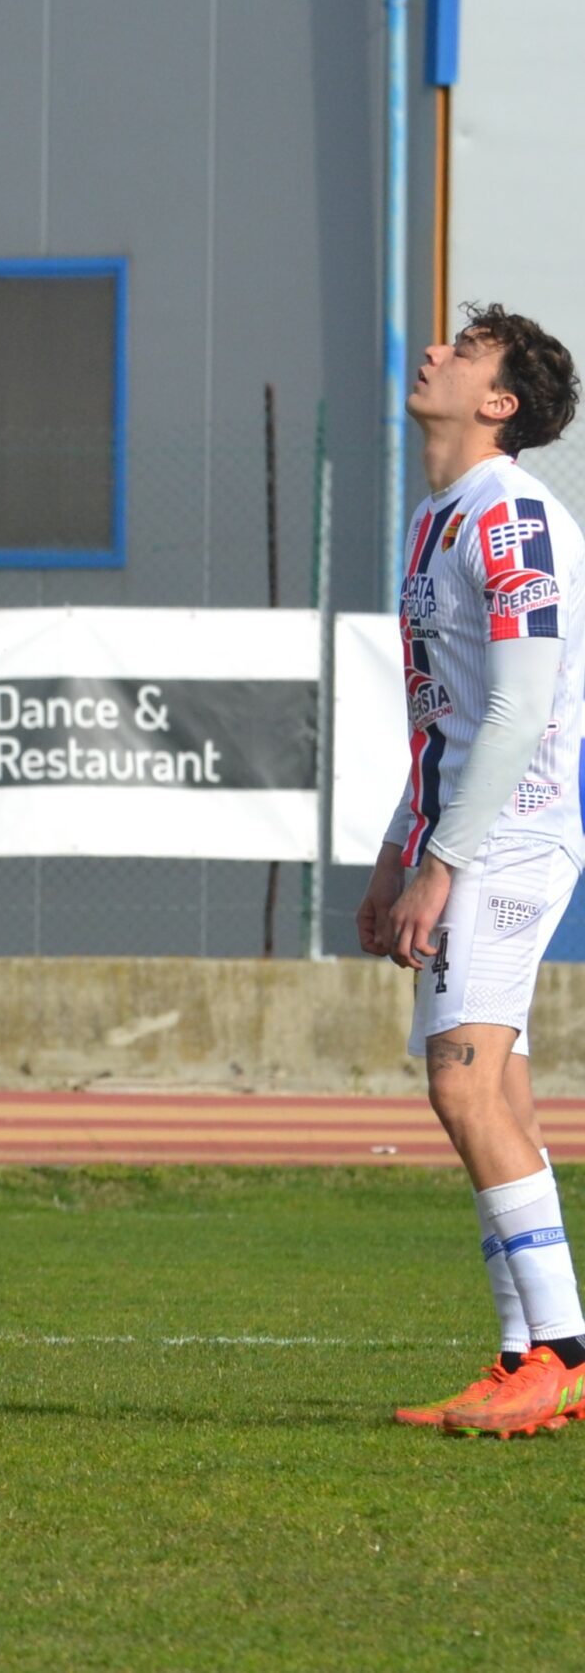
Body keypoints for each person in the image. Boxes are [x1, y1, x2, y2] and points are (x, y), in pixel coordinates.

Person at [365, 303, 585, 1437]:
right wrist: (392, 856)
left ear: (499, 403)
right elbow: (442, 719)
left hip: (509, 839)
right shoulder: (436, 515)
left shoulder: (511, 517)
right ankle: (518, 1358)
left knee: (459, 1086)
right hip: (467, 835)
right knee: (494, 1093)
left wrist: (441, 863)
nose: (434, 353)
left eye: (463, 351)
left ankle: (563, 1353)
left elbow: (517, 711)